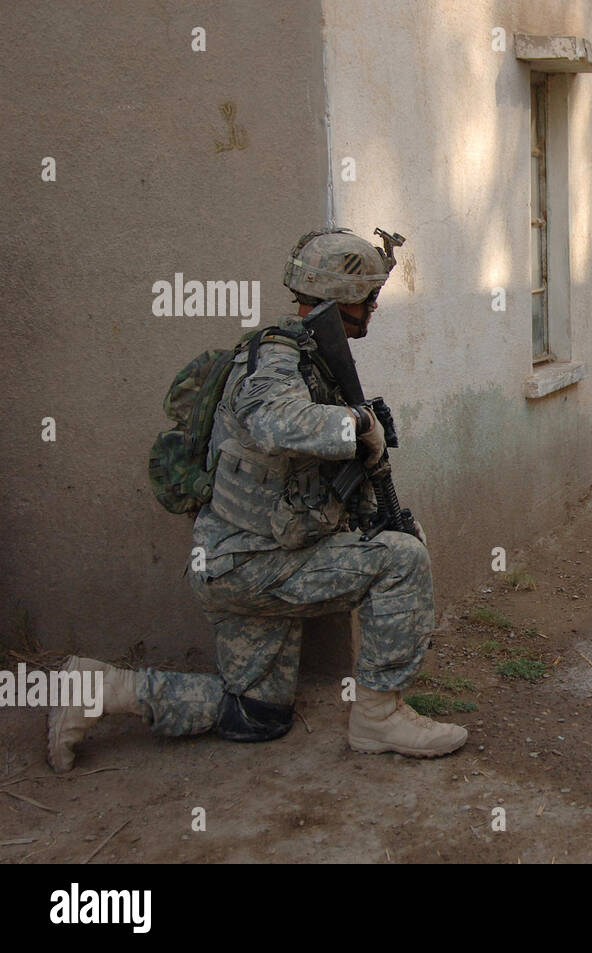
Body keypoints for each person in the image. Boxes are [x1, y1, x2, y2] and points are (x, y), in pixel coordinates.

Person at [47, 228, 468, 773]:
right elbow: (275, 424)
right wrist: (358, 423)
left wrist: (375, 509)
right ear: (344, 298)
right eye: (368, 297)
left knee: (257, 716)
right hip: (249, 564)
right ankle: (378, 717)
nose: (373, 307)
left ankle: (100, 688)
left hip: (251, 563)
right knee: (404, 561)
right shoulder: (275, 357)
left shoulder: (316, 363)